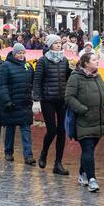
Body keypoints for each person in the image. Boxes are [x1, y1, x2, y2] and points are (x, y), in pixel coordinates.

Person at [65, 52, 104, 192]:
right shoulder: (75, 78)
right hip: (83, 121)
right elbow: (69, 98)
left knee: (88, 151)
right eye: (94, 59)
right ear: (86, 63)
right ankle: (92, 180)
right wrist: (82, 109)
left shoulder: (97, 76)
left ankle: (82, 174)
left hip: (97, 122)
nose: (97, 62)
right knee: (88, 150)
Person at [33, 34, 72, 175]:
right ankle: (44, 152)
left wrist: (72, 69)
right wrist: (36, 100)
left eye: (59, 43)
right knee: (52, 130)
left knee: (62, 131)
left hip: (62, 100)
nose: (58, 45)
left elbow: (69, 78)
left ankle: (58, 163)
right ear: (50, 45)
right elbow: (37, 81)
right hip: (47, 99)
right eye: (55, 43)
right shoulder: (43, 61)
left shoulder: (65, 60)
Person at [0, 43, 36, 164]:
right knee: (10, 128)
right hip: (11, 103)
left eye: (23, 53)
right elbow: (2, 85)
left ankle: (28, 155)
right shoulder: (6, 66)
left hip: (25, 103)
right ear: (14, 54)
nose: (21, 55)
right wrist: (7, 101)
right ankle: (8, 152)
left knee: (26, 129)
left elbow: (32, 82)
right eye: (19, 53)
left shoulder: (28, 66)